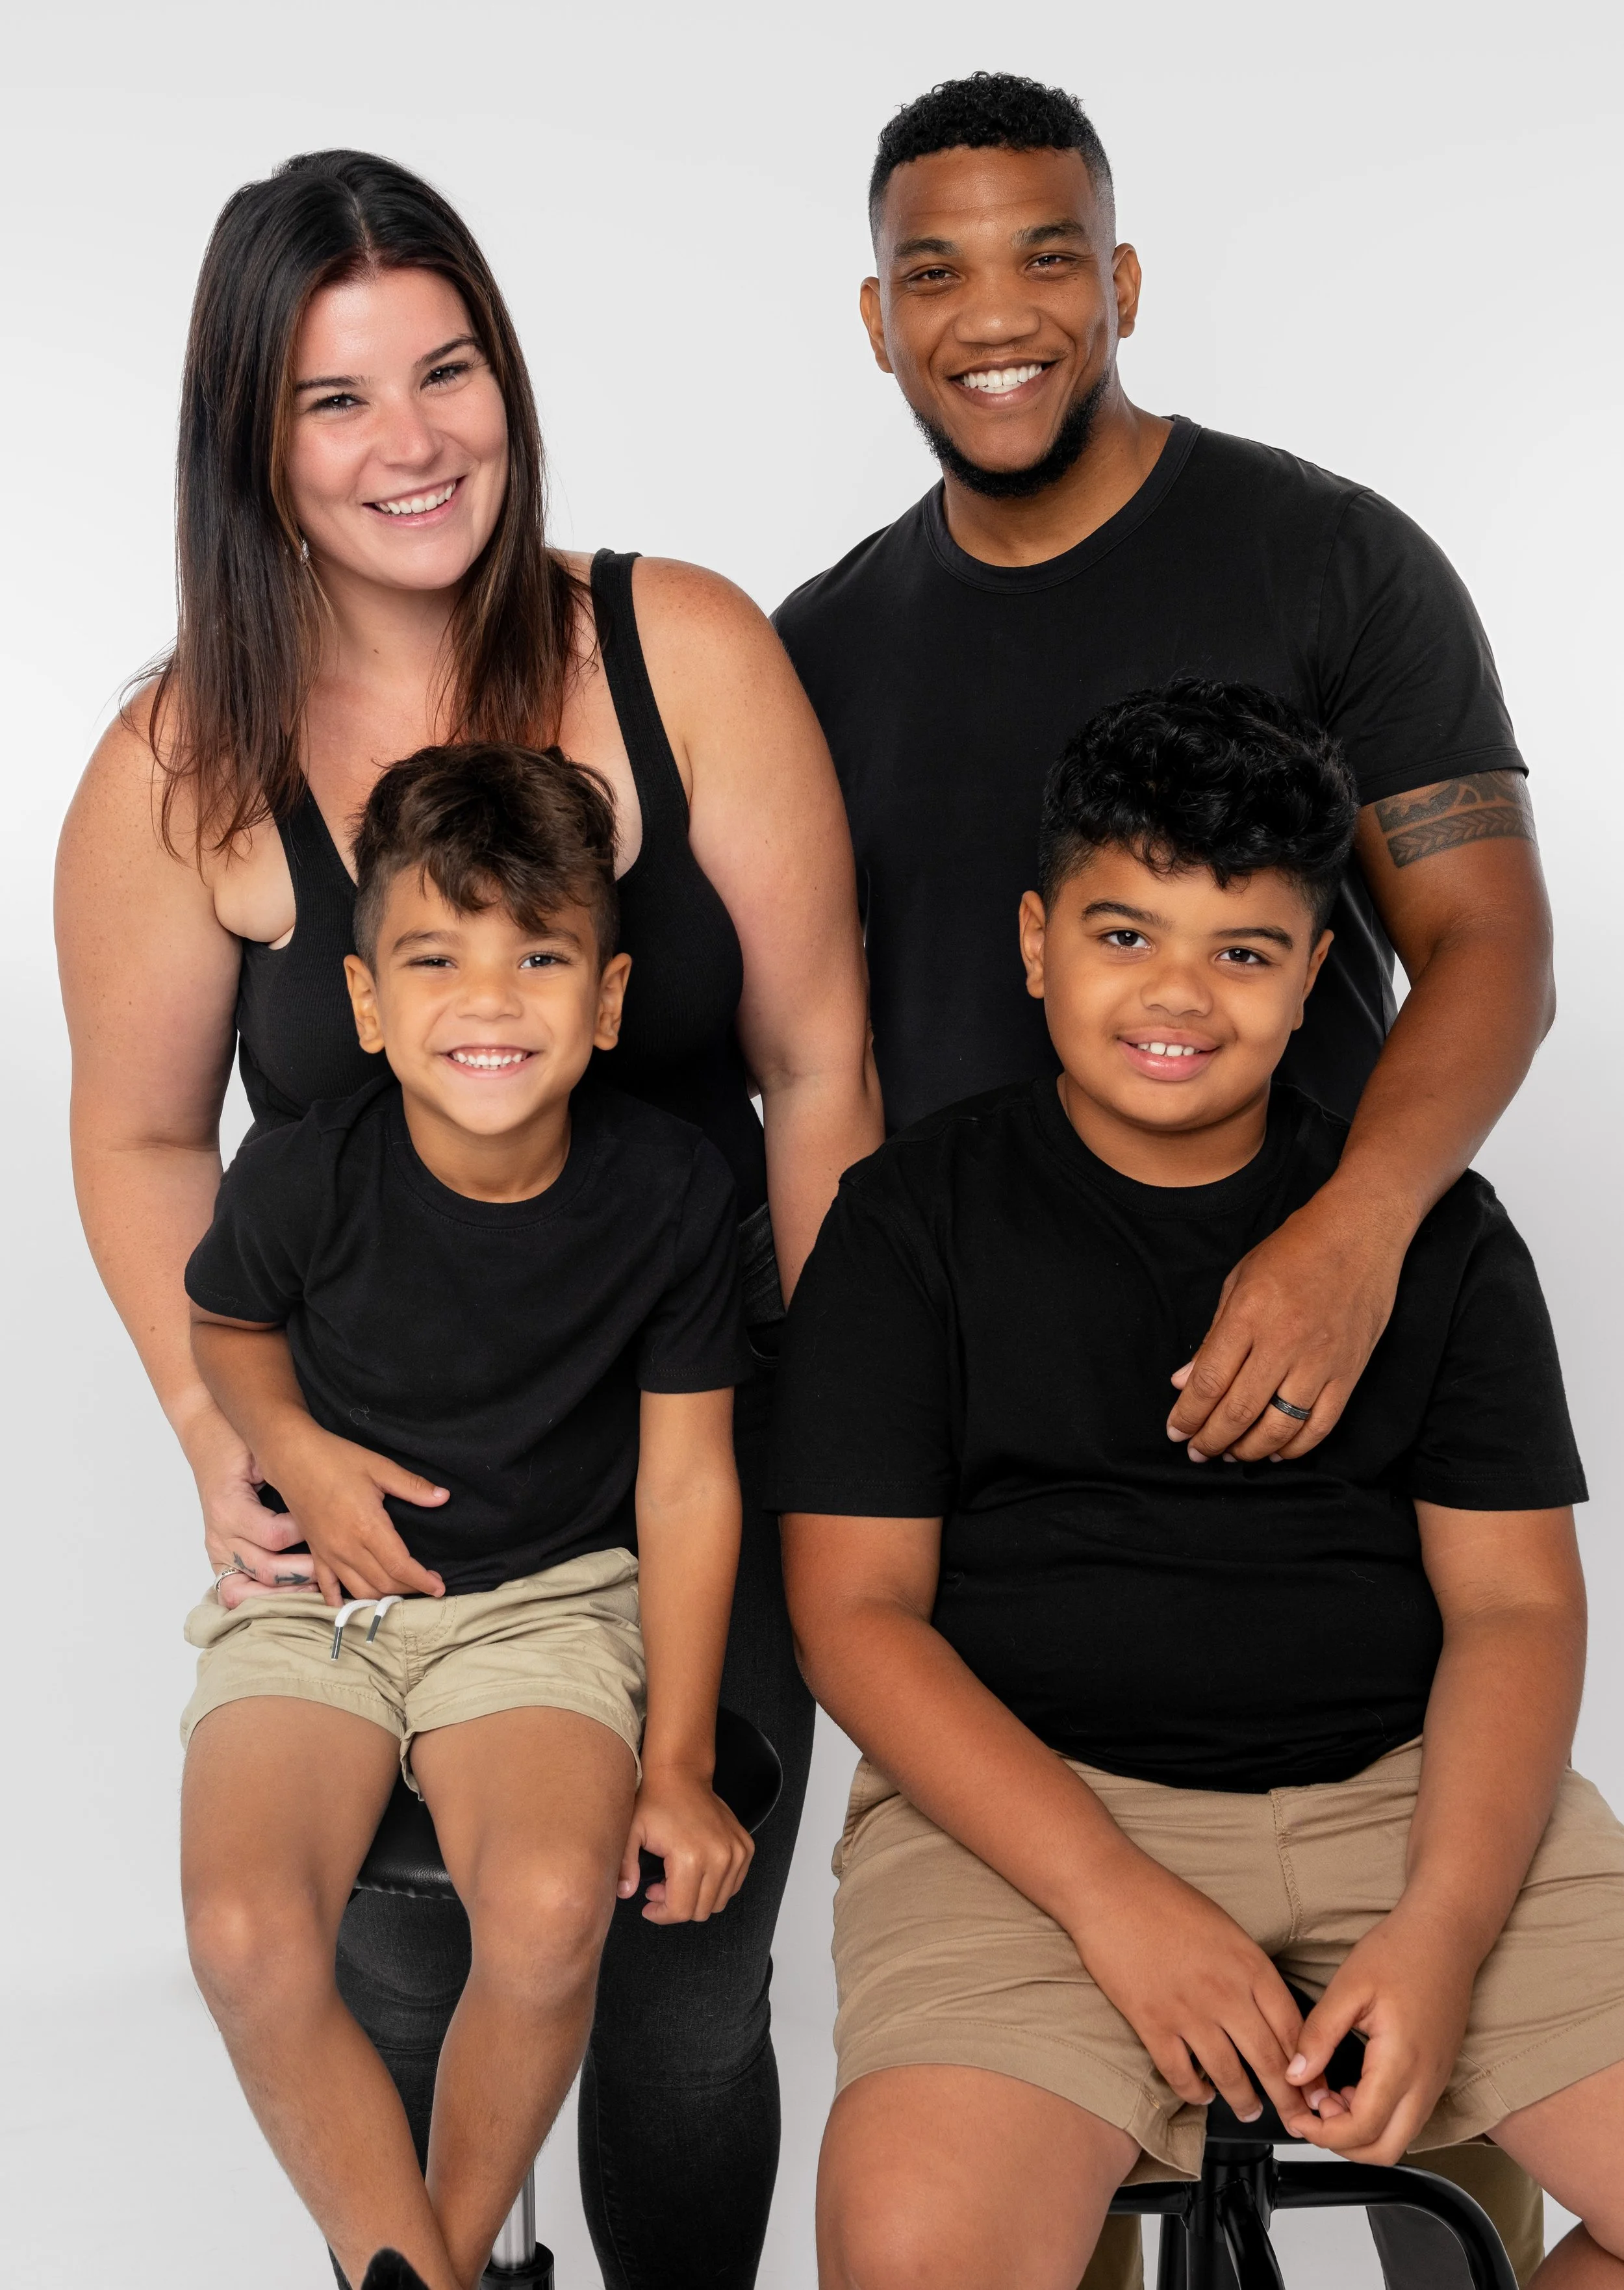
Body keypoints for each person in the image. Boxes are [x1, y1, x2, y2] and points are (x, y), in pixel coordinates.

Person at [55, 150, 882, 2290]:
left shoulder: (679, 644)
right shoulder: (183, 762)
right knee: (400, 1960)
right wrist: (221, 1431)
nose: (412, 441)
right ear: (247, 437)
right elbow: (143, 1138)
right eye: (335, 400)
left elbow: (821, 1071)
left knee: (685, 2002)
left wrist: (862, 1453)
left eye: (447, 370)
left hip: (703, 1450)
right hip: (394, 1487)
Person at [772, 68, 1554, 2275]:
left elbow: (1488, 944)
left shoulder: (1324, 558)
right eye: (938, 270)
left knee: (1431, 2162)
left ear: (1120, 282)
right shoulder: (827, 652)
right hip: (999, 1490)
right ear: (874, 317)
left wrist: (1354, 1231)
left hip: (1327, 1460)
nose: (996, 315)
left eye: (1049, 258)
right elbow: (780, 1043)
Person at [768, 683, 1623, 2290]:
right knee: (910, 2262)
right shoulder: (908, 1225)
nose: (1178, 994)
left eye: (1241, 951)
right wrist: (1111, 1898)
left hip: (1405, 1799)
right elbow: (852, 1620)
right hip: (1025, 1823)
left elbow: (1512, 1609)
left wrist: (1440, 1937)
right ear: (1034, 944)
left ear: (1314, 975)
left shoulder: (1434, 1235)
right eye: (1121, 935)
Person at [182, 743, 756, 2290]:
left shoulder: (676, 1193)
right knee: (244, 1930)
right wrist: (289, 1447)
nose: (489, 1003)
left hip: (547, 1603)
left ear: (610, 999)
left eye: (539, 958)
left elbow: (689, 1479)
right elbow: (227, 1330)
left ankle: (425, 2267)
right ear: (367, 1006)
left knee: (555, 1904)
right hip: (321, 1600)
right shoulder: (302, 1176)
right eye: (435, 960)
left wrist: (682, 1763)